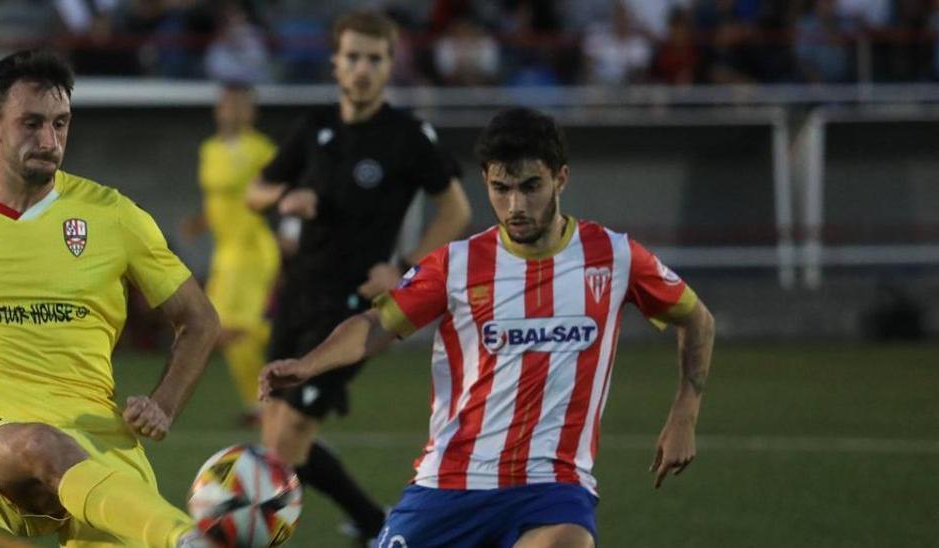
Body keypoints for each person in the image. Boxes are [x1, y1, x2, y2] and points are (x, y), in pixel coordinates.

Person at [261, 106, 716, 548]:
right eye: (501, 189)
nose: (515, 205)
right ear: (486, 182)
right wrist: (308, 364)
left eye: (530, 186)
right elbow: (376, 323)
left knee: (569, 543)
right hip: (449, 483)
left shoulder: (613, 257)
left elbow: (696, 318)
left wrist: (685, 413)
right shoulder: (457, 264)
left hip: (552, 487)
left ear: (561, 177)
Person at [0, 49, 219, 548]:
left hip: (104, 452)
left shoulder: (115, 216)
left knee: (70, 465)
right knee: (39, 442)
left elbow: (199, 319)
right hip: (0, 438)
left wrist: (164, 404)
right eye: (31, 123)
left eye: (60, 124)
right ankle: (189, 539)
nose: (49, 141)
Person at [244, 10, 473, 542]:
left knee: (286, 444)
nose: (362, 68)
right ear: (336, 63)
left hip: (354, 306)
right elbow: (255, 191)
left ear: (390, 64)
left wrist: (404, 268)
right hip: (297, 294)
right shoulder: (314, 127)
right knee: (277, 434)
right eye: (353, 57)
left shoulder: (407, 136)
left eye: (374, 58)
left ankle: (257, 531)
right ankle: (373, 522)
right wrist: (284, 197)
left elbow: (455, 210)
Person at [184, 82, 278, 425]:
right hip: (225, 252)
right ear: (219, 109)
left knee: (230, 329)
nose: (234, 111)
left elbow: (282, 191)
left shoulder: (261, 149)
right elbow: (220, 199)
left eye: (242, 105)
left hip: (252, 249)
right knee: (219, 329)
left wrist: (290, 231)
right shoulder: (210, 149)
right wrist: (201, 221)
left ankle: (278, 382)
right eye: (229, 104)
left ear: (252, 112)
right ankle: (262, 401)